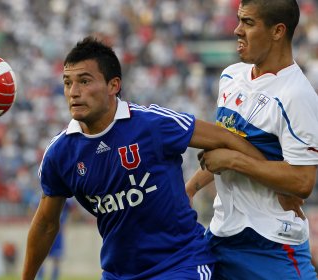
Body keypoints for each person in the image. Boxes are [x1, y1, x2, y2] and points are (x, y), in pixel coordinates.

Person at [22, 36, 266, 280]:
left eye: (84, 81)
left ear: (113, 85)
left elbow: (227, 138)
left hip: (181, 264)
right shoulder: (60, 153)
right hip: (119, 273)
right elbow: (45, 224)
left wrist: (280, 184)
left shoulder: (151, 125)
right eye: (67, 83)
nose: (74, 92)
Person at [186, 0, 318, 279]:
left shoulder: (297, 95)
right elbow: (225, 145)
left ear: (277, 31)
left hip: (271, 244)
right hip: (222, 234)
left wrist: (234, 160)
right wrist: (191, 187)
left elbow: (302, 181)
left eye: (248, 23)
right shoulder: (230, 76)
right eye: (238, 20)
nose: (236, 30)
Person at [34, 197, 72, 280]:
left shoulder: (67, 199)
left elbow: (73, 210)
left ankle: (54, 278)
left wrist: (66, 223)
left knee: (56, 258)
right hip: (45, 233)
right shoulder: (43, 197)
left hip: (58, 234)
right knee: (41, 257)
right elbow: (33, 211)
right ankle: (40, 277)